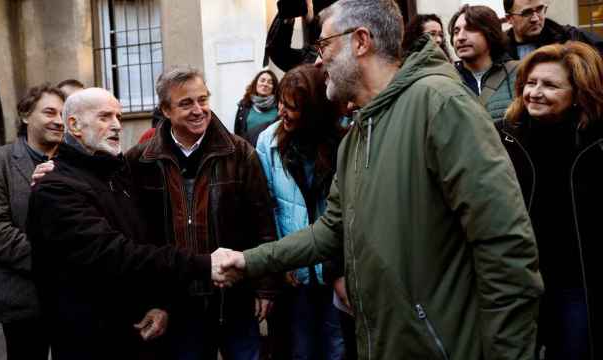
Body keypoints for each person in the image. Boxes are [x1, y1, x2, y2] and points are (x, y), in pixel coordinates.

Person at [217, 0, 544, 359]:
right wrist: (249, 261)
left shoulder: (442, 106)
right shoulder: (356, 135)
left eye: (324, 46)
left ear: (361, 41)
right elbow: (331, 230)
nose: (317, 61)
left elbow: (505, 246)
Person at [26, 87, 232, 360]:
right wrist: (204, 264)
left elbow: (148, 240)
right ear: (73, 124)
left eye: (118, 117)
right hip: (89, 342)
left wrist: (160, 305)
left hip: (137, 335)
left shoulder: (120, 174)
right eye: (104, 117)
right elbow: (114, 254)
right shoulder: (54, 189)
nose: (116, 126)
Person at [125, 66, 277, 360]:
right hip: (178, 304)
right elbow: (136, 236)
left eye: (203, 100)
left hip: (235, 298)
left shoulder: (239, 153)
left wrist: (266, 288)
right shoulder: (140, 161)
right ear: (166, 110)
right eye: (186, 103)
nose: (199, 110)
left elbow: (262, 221)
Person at [497, 41, 602, 360]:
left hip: (576, 283)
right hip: (517, 282)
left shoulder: (596, 142)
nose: (535, 92)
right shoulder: (502, 137)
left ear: (579, 94)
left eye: (550, 85)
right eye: (530, 82)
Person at [255, 64, 345, 360]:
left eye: (291, 107)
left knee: (337, 347)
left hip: (336, 273)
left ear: (314, 109)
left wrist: (341, 269)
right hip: (296, 273)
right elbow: (268, 205)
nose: (282, 111)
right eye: (281, 102)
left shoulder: (341, 142)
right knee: (301, 349)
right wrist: (284, 260)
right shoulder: (267, 142)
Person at [0, 84, 65, 360]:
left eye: (63, 113)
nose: (59, 121)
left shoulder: (74, 163)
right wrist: (56, 262)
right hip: (23, 300)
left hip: (72, 298)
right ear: (26, 115)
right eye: (50, 112)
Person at [450, 5, 518, 122]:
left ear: (490, 33)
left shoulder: (518, 73)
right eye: (456, 32)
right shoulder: (447, 79)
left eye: (470, 29)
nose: (460, 37)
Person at [504, 0, 603, 60]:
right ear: (509, 19)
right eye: (526, 13)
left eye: (540, 9)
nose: (535, 18)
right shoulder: (499, 48)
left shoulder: (572, 37)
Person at [234, 69, 279, 145]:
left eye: (270, 82)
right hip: (249, 153)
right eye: (262, 80)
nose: (265, 84)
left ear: (274, 87)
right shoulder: (244, 106)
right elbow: (238, 133)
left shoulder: (279, 107)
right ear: (256, 83)